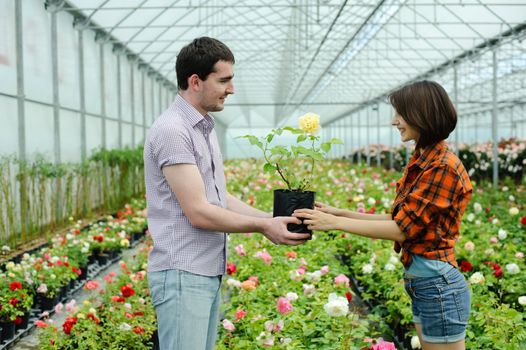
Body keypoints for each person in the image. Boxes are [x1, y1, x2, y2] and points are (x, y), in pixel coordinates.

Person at [143, 37, 310, 350]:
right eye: (224, 80)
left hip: (203, 271)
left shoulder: (202, 127)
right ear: (195, 81)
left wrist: (274, 218)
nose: (231, 89)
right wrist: (263, 227)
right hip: (183, 273)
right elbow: (198, 211)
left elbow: (218, 197)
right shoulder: (173, 131)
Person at [294, 80, 473, 350]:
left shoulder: (442, 166)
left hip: (438, 286)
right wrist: (342, 213)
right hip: (426, 285)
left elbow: (402, 230)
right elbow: (400, 218)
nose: (394, 122)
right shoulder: (422, 158)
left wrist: (335, 223)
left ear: (421, 113)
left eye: (400, 114)